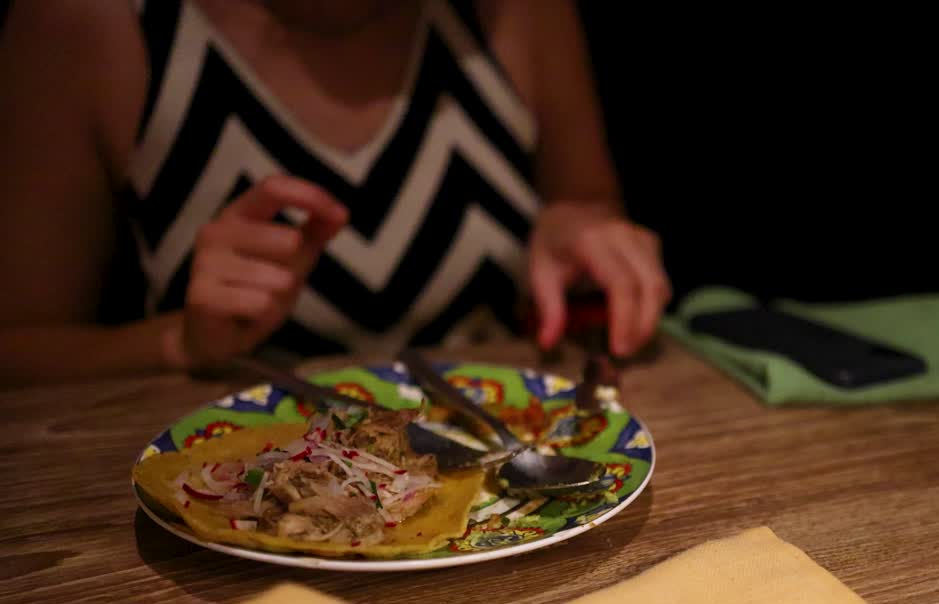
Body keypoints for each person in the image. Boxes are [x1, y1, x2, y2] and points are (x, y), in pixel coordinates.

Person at [0, 0, 670, 384]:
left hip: (498, 473)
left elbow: (585, 204)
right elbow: (19, 349)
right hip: (235, 495)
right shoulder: (89, 24)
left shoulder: (514, 11)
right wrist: (182, 341)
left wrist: (578, 230)